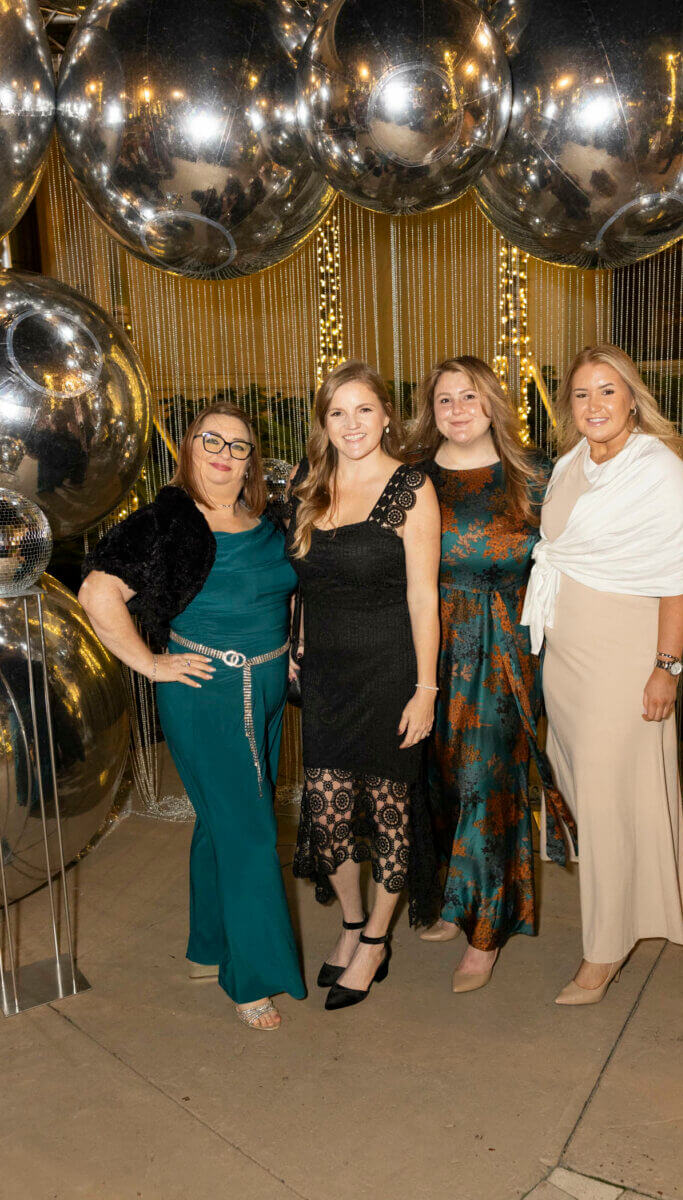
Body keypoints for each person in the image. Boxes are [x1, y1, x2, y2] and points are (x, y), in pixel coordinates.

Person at [79, 402, 305, 1031]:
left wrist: (287, 652)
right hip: (207, 689)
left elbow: (281, 590)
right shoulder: (165, 520)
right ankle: (250, 978)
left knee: (220, 822)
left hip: (264, 684)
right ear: (189, 446)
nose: (225, 454)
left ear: (251, 459)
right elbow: (97, 591)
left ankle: (208, 945)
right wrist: (151, 665)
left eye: (239, 445)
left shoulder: (265, 520)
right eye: (213, 440)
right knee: (251, 830)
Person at [522, 344, 683, 1005]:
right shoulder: (570, 465)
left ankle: (602, 952)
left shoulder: (657, 471)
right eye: (580, 394)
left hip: (623, 658)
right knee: (590, 801)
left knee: (601, 803)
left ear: (631, 397)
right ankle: (625, 914)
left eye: (606, 391)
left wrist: (664, 669)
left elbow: (676, 583)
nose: (593, 405)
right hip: (565, 663)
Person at [410, 355, 576, 994]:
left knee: (488, 780)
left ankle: (487, 929)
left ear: (492, 405)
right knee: (443, 777)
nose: (456, 410)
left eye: (469, 397)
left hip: (505, 642)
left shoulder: (533, 475)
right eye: (445, 399)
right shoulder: (415, 477)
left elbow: (569, 560)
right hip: (430, 644)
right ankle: (457, 900)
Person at [288, 359, 440, 1011]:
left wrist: (426, 689)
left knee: (386, 812)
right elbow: (302, 579)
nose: (351, 424)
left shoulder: (410, 488)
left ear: (385, 416)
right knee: (327, 818)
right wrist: (296, 642)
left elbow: (423, 596)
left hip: (388, 672)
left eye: (363, 410)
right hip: (325, 676)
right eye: (337, 412)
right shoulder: (310, 485)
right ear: (324, 423)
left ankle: (376, 941)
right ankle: (351, 923)